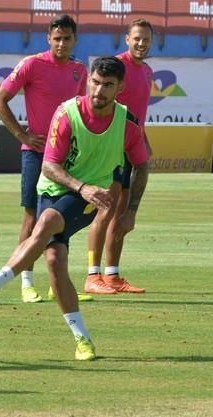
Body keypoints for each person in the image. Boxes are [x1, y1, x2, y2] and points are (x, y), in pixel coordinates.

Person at [0, 56, 150, 360]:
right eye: (96, 82)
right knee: (54, 260)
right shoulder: (67, 113)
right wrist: (79, 186)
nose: (99, 90)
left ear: (120, 88)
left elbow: (141, 166)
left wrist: (131, 210)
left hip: (92, 197)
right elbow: (49, 166)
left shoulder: (127, 124)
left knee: (47, 220)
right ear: (88, 80)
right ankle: (83, 340)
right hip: (54, 188)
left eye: (108, 85)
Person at [0, 14, 91, 303]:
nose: (61, 43)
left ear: (75, 40)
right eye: (57, 38)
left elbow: (79, 112)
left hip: (65, 157)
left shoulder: (79, 70)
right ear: (48, 39)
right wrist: (22, 136)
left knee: (61, 218)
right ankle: (26, 281)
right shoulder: (31, 64)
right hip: (36, 154)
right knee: (32, 215)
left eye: (67, 38)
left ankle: (56, 283)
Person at [84, 19, 154, 295]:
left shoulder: (147, 71)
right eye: (136, 38)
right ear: (127, 39)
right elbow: (97, 102)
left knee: (122, 213)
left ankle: (112, 275)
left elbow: (138, 114)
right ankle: (93, 274)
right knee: (106, 210)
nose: (141, 43)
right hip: (111, 147)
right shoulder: (115, 67)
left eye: (146, 39)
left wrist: (143, 140)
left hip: (130, 146)